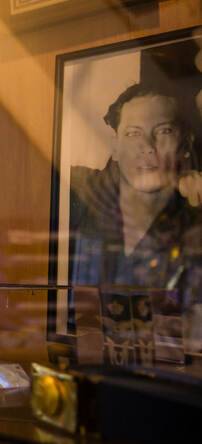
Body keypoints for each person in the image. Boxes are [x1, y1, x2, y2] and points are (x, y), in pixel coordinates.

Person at [70, 82, 202, 289]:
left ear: (185, 144)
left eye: (164, 131)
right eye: (133, 133)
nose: (147, 146)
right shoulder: (76, 193)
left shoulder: (192, 220)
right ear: (115, 147)